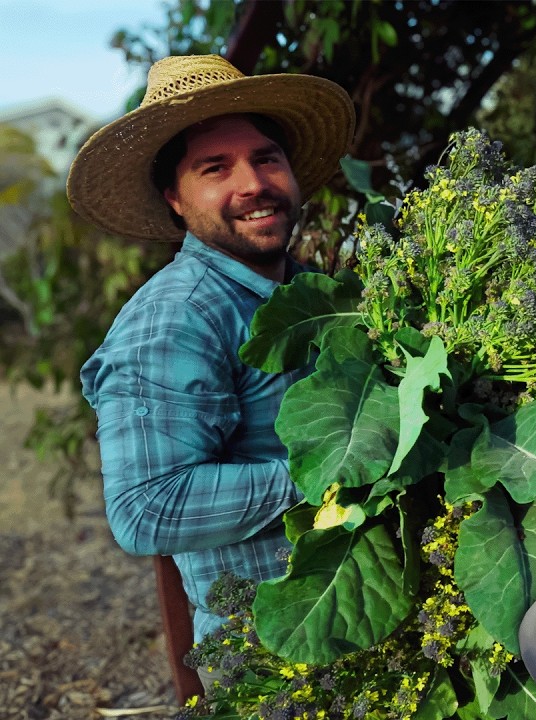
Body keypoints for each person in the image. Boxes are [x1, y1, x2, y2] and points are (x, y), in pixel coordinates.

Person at [67, 55, 355, 686]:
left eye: (266, 158)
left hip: (365, 631)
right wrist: (336, 475)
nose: (252, 183)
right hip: (274, 668)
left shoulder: (310, 291)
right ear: (175, 198)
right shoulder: (176, 318)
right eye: (215, 168)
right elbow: (146, 508)